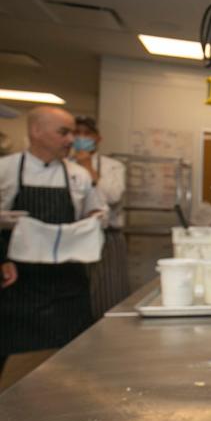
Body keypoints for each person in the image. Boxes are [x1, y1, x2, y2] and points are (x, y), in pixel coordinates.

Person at [0, 106, 107, 366]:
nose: (71, 140)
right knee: (15, 356)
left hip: (68, 280)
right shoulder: (6, 169)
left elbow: (96, 209)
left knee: (73, 356)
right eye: (64, 132)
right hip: (19, 279)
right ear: (36, 131)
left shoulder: (77, 175)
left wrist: (96, 220)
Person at [72, 115, 129, 318]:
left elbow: (113, 197)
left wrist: (88, 168)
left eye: (86, 134)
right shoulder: (63, 164)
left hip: (107, 236)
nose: (81, 138)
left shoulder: (112, 166)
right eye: (77, 133)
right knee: (74, 294)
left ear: (98, 138)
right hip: (73, 237)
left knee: (108, 295)